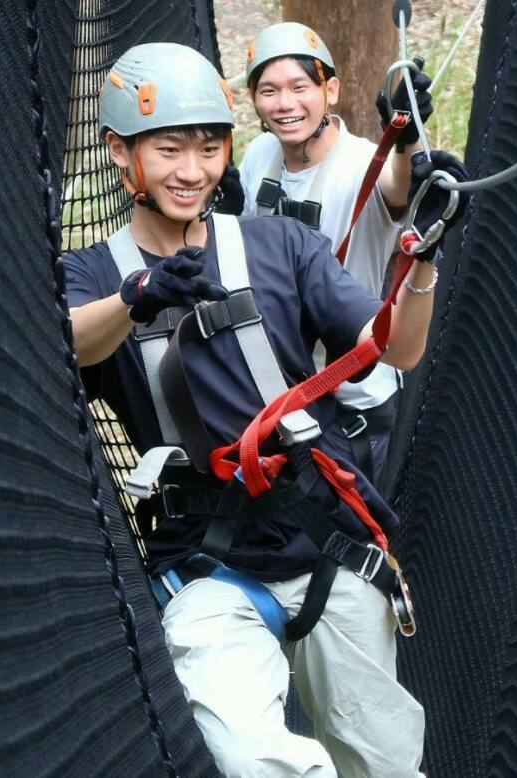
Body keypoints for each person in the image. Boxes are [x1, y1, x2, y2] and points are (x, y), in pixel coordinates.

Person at [60, 42, 469, 778]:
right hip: (206, 569)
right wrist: (136, 298)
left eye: (210, 148)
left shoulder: (279, 245)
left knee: (383, 764)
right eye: (169, 149)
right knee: (254, 760)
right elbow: (65, 348)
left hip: (326, 545)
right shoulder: (92, 275)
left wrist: (424, 259)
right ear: (121, 154)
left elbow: (395, 349)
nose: (193, 170)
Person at [238, 21, 436, 486]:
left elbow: (397, 188)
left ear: (330, 90)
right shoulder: (259, 155)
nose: (284, 104)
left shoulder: (363, 162)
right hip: (279, 390)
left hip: (352, 397)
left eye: (299, 87)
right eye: (268, 91)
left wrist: (404, 141)